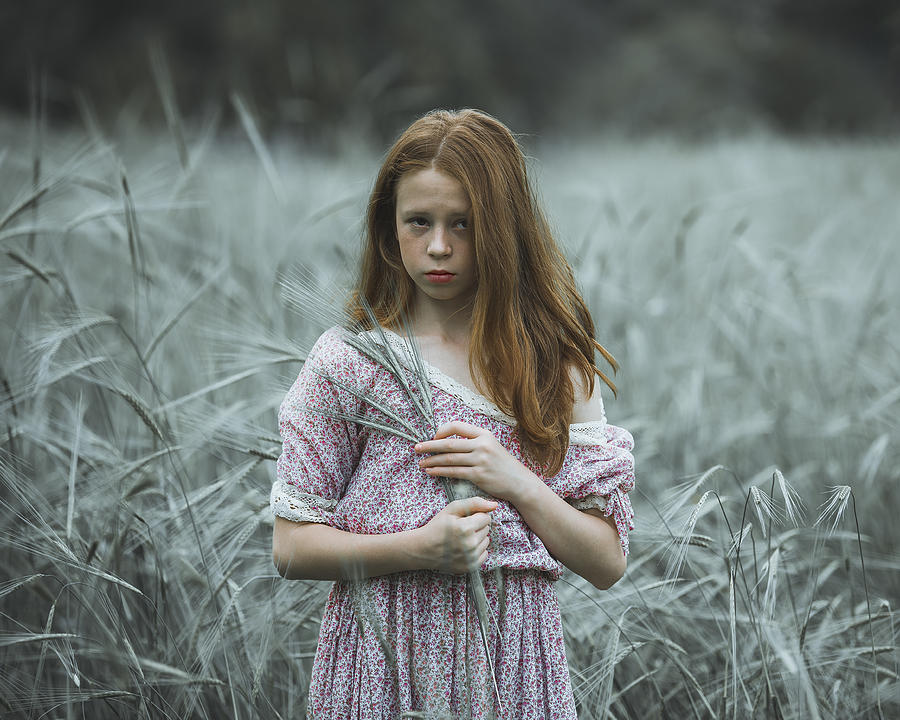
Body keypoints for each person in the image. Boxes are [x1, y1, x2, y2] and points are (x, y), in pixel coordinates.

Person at [270, 109, 635, 719]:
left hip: (512, 668)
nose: (438, 246)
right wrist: (419, 548)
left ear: (502, 229)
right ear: (390, 231)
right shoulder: (350, 362)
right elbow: (289, 547)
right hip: (382, 659)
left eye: (462, 225)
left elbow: (607, 561)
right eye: (419, 222)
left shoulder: (553, 365)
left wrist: (515, 481)